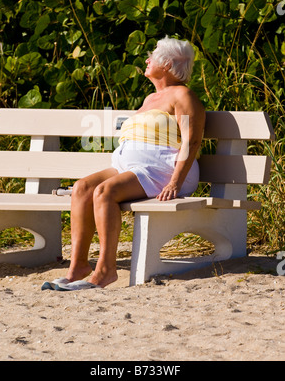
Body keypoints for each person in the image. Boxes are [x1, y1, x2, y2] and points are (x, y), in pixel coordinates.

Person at [42, 36, 205, 291]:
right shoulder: (151, 98)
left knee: (105, 191)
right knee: (82, 187)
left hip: (163, 169)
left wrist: (176, 180)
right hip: (131, 168)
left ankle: (106, 271)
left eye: (153, 56)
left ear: (168, 64)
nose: (147, 60)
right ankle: (78, 267)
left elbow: (191, 142)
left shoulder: (183, 95)